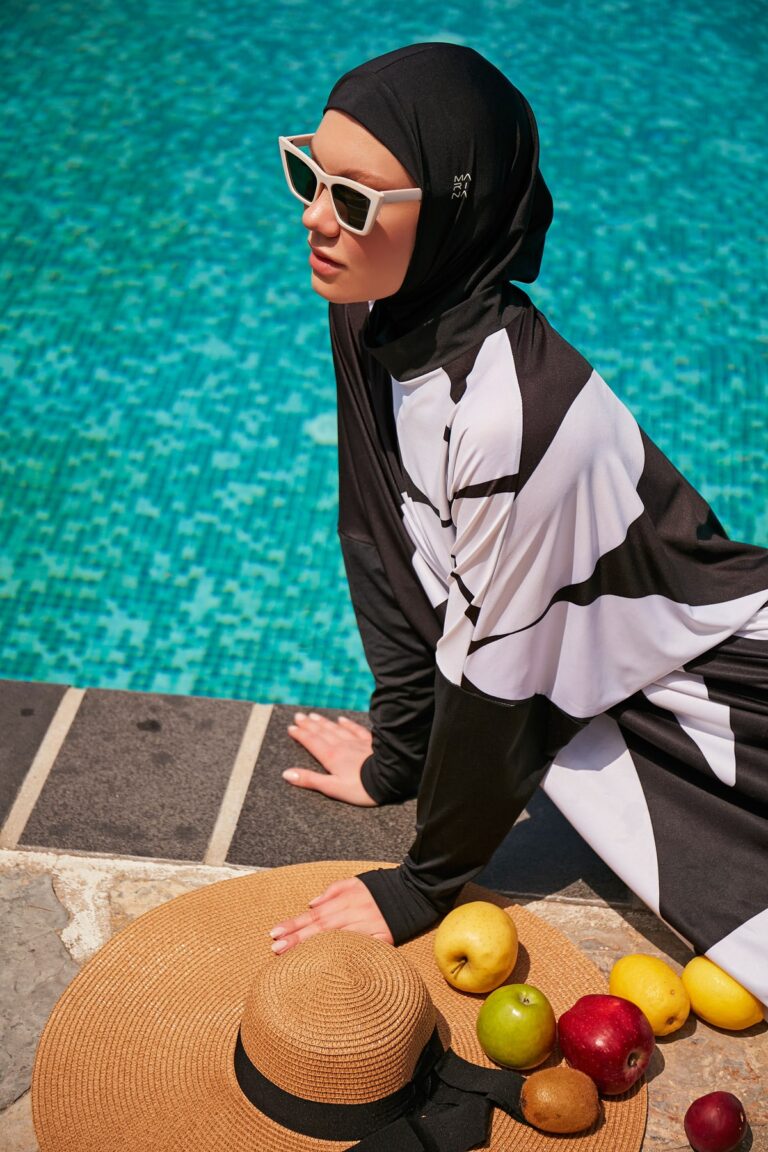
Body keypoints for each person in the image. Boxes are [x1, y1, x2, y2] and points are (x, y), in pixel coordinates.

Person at [269, 43, 768, 1003]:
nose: (316, 217)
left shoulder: (519, 421)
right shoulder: (374, 307)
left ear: (452, 212)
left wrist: (421, 888)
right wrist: (397, 757)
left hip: (719, 696)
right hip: (597, 675)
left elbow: (505, 687)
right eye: (307, 173)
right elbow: (377, 535)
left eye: (357, 198)